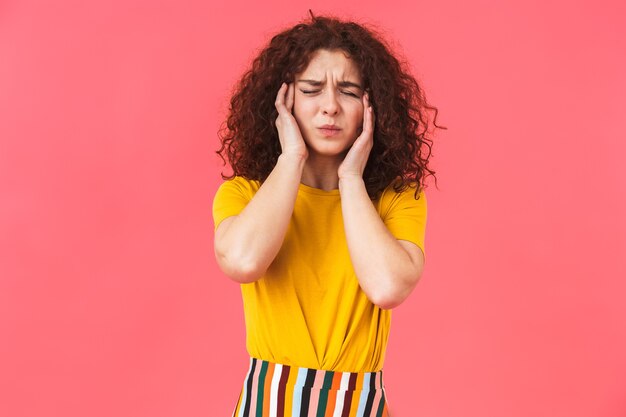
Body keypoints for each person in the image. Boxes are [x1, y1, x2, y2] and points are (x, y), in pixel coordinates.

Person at [212, 10, 444, 417]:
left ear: (374, 108)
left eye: (350, 91)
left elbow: (388, 288)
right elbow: (244, 261)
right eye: (312, 89)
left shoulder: (397, 200)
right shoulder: (245, 194)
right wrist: (292, 158)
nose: (330, 107)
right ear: (283, 102)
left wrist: (351, 178)